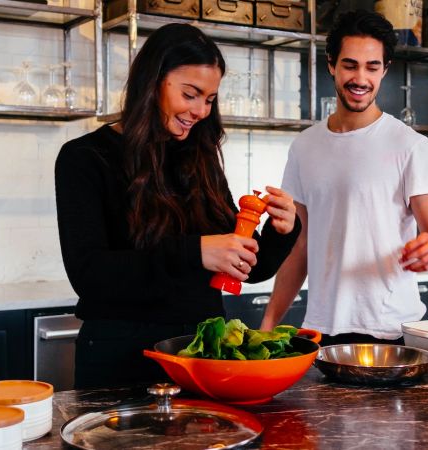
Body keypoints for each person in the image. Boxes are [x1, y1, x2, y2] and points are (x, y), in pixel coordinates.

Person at [55, 23, 301, 389]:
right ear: (153, 81)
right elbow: (90, 276)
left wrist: (281, 231)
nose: (201, 110)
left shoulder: (200, 158)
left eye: (210, 99)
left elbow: (244, 270)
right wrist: (195, 252)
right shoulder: (85, 158)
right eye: (191, 94)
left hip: (201, 357)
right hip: (120, 362)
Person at [260, 10, 428, 346]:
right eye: (350, 65)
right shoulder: (305, 146)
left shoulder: (410, 146)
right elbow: (300, 246)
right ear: (331, 65)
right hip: (321, 332)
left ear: (385, 70)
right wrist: (267, 325)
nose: (360, 78)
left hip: (391, 332)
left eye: (372, 67)